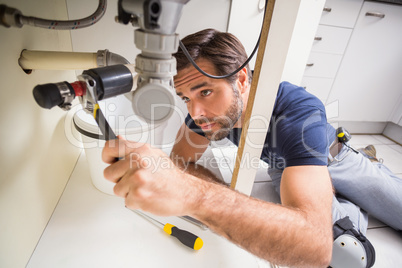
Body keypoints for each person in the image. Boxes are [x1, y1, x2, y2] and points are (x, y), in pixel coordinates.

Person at [102, 29, 402, 267]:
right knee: (348, 256)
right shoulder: (204, 117)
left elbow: (312, 243)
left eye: (205, 91)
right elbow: (179, 163)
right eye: (185, 98)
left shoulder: (296, 108)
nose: (195, 112)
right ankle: (348, 201)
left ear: (241, 79)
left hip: (336, 159)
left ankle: (367, 167)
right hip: (283, 169)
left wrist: (198, 196)